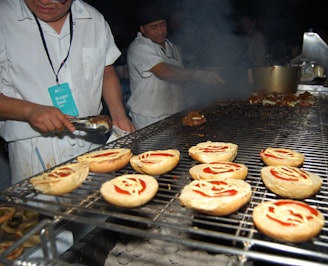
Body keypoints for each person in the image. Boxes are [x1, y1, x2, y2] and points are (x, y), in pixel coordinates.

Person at [0, 0, 135, 184]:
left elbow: (107, 70)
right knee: (43, 211)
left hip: (91, 139)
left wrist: (119, 114)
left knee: (96, 208)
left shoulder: (93, 18)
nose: (47, 1)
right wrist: (29, 110)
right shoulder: (4, 16)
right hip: (35, 147)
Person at [126, 2, 225, 130]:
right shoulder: (139, 47)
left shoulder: (171, 47)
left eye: (163, 25)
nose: (160, 31)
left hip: (175, 114)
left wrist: (203, 69)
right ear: (142, 29)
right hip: (150, 118)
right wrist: (199, 74)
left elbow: (179, 75)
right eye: (153, 27)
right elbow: (163, 71)